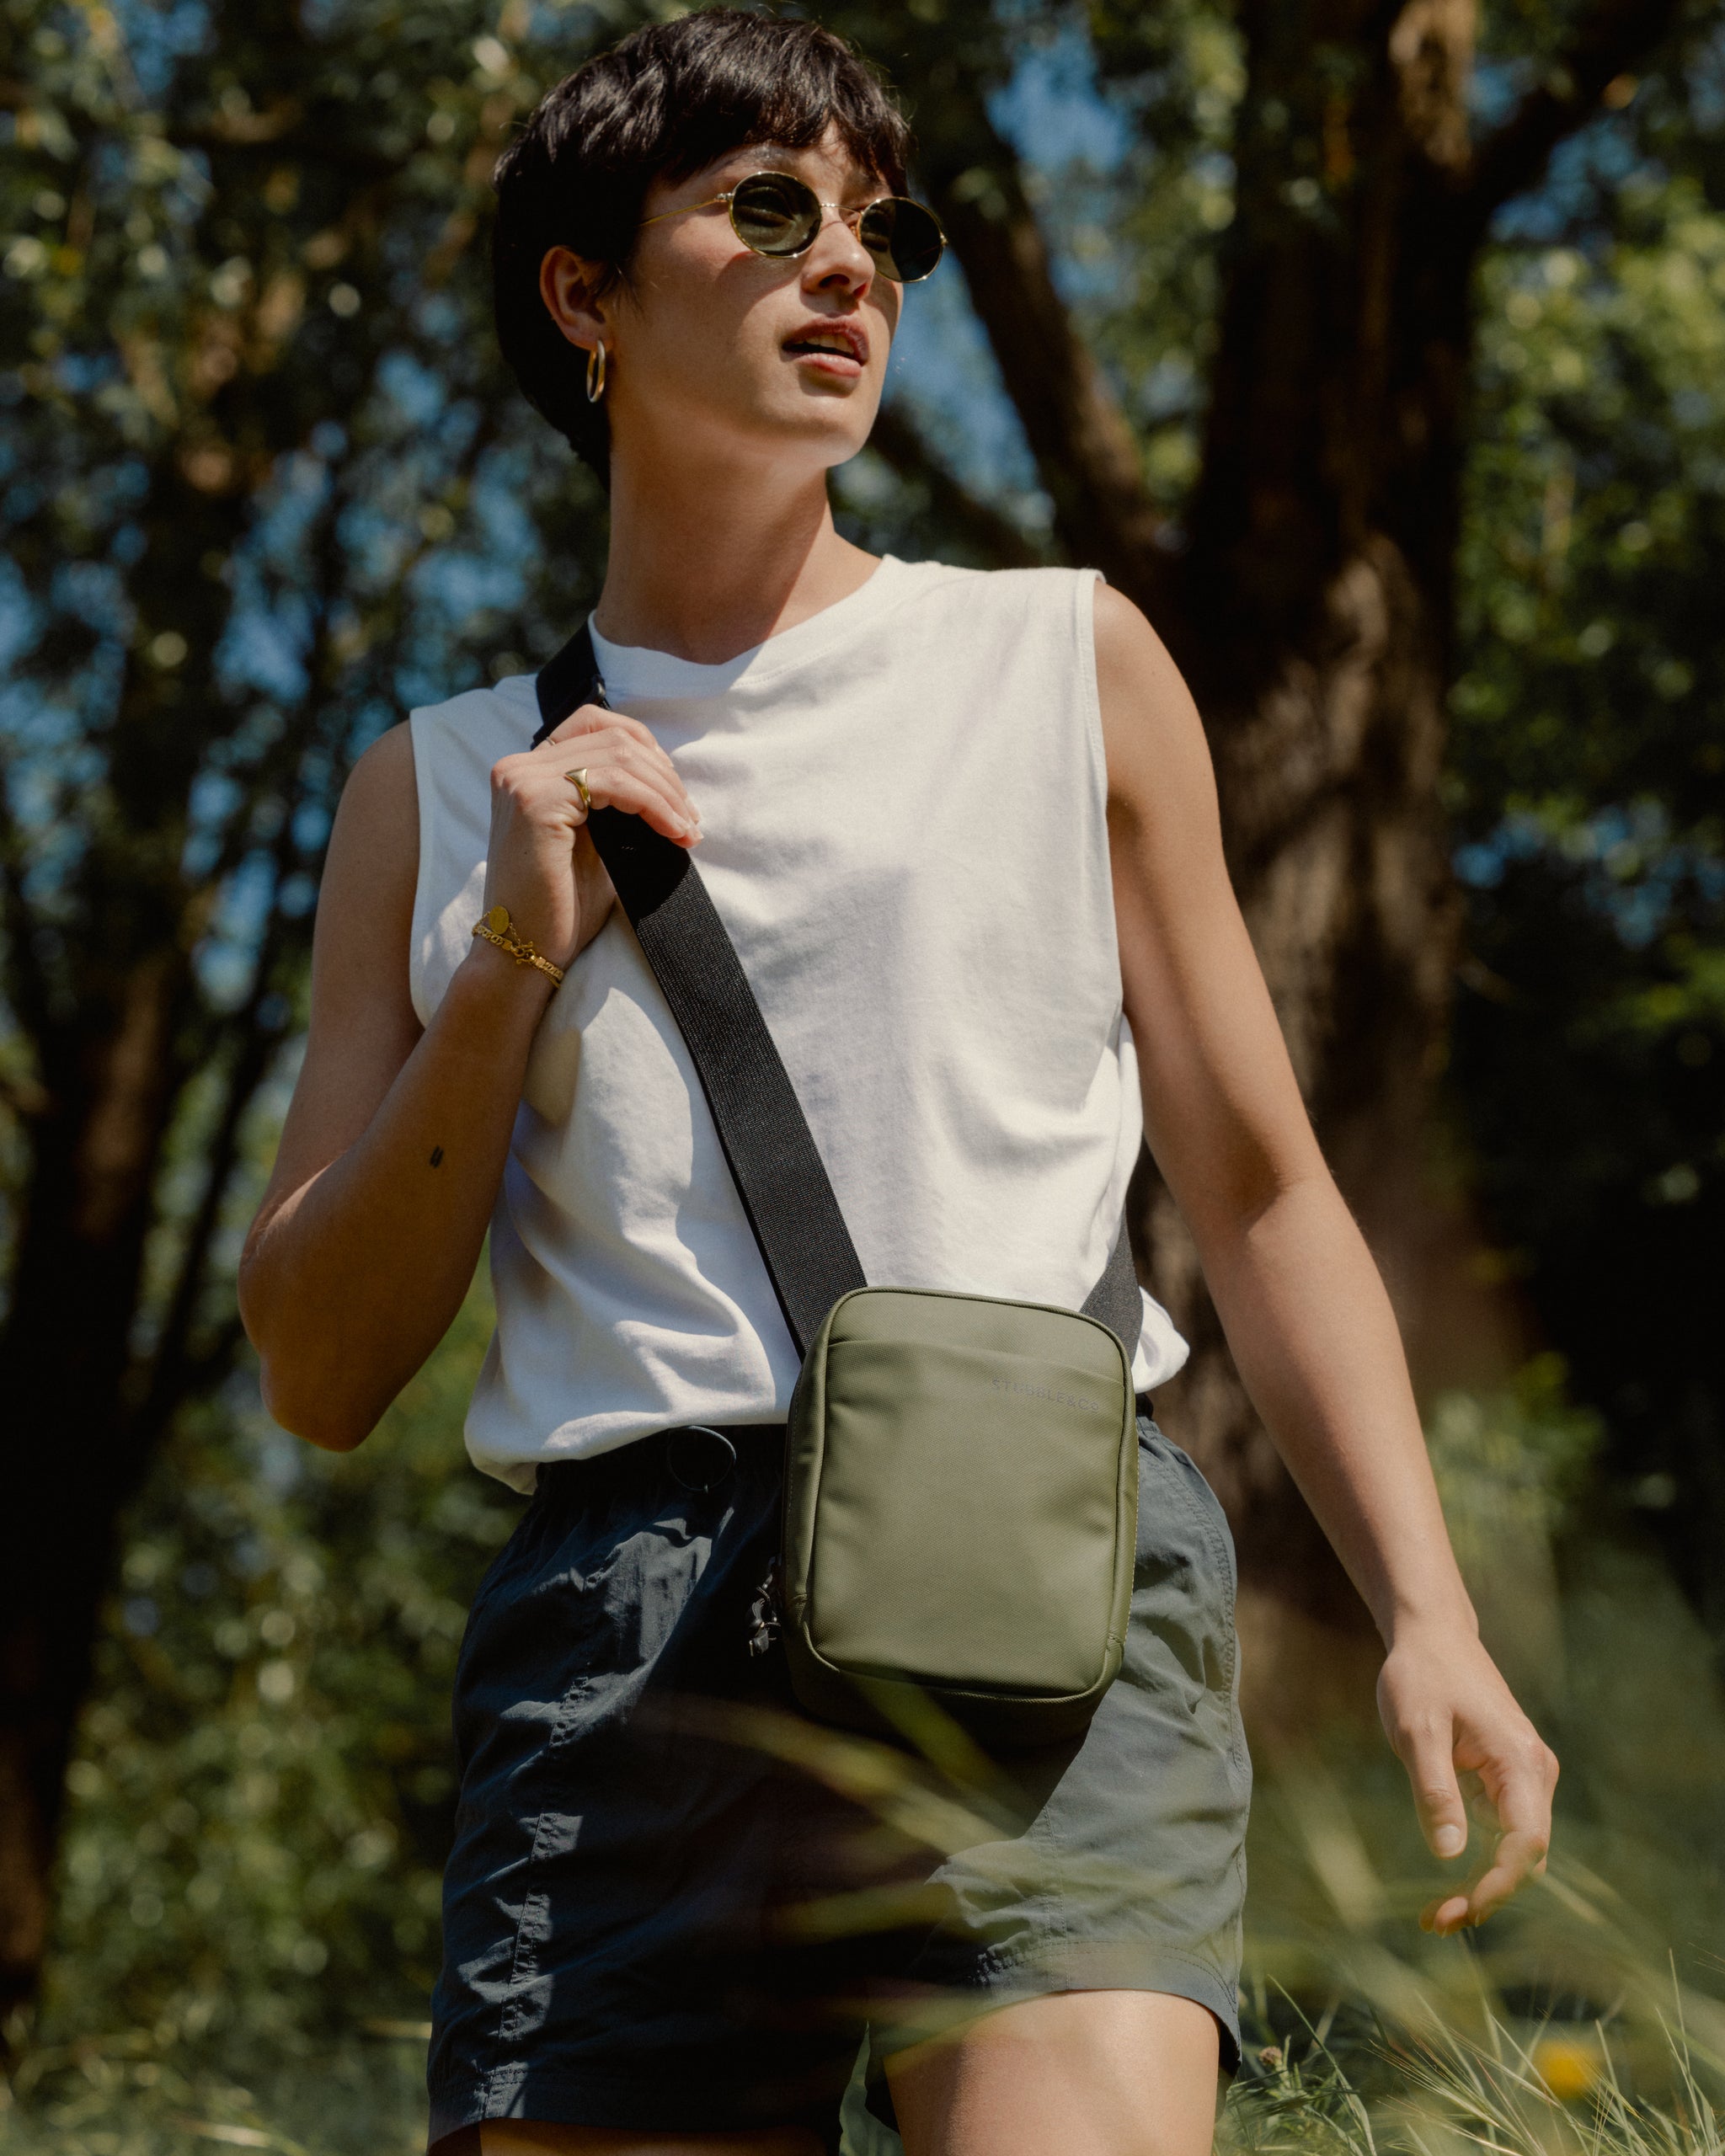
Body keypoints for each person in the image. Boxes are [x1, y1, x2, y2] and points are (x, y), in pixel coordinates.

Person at [238, 13, 1558, 2155]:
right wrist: (513, 950)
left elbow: (1264, 1188)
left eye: (886, 228)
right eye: (769, 213)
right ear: (583, 292)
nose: (848, 268)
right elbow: (314, 1363)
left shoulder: (1069, 663)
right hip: (627, 1636)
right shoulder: (430, 784)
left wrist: (1430, 1607)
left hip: (1040, 1585)